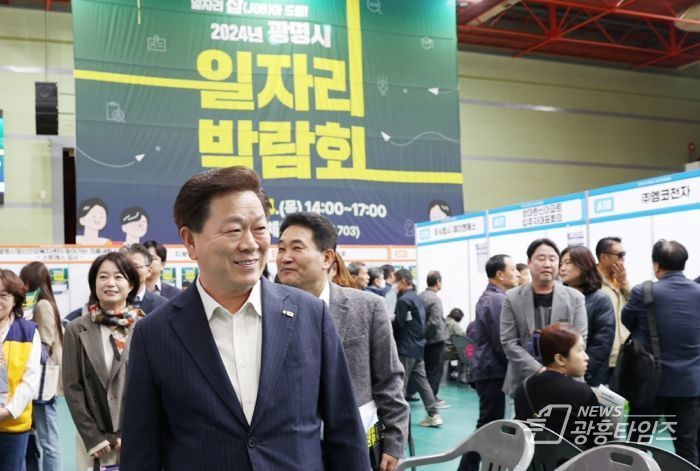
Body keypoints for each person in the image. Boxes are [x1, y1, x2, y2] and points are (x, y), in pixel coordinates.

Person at [120, 166, 369, 470]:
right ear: (190, 241)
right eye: (234, 230)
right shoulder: (155, 334)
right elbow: (141, 453)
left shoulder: (311, 315)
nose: (250, 243)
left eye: (260, 228)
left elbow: (345, 431)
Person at [276, 212, 409, 471]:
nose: (285, 257)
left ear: (327, 258)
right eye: (281, 249)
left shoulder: (368, 307)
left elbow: (389, 378)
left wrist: (393, 441)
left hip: (361, 440)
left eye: (296, 248)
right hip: (293, 449)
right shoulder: (269, 313)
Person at [63, 252, 144, 470]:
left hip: (137, 437)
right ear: (94, 283)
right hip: (96, 444)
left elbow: (153, 388)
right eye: (103, 276)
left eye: (118, 277)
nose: (110, 283)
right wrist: (93, 437)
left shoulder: (146, 327)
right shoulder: (76, 329)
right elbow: (72, 387)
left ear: (131, 284)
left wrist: (132, 432)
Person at [622, 240, 700, 465]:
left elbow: (627, 320)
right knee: (687, 447)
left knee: (637, 444)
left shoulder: (643, 292)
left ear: (656, 265)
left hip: (649, 385)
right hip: (689, 385)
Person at [500, 238, 587, 399]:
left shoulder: (575, 298)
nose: (547, 264)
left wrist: (556, 373)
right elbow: (509, 342)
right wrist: (540, 370)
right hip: (523, 382)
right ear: (529, 262)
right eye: (541, 258)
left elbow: (580, 339)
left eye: (552, 259)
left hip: (567, 381)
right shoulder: (512, 298)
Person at [513, 323, 600, 449]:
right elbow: (600, 441)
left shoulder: (523, 388)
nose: (586, 357)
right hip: (575, 460)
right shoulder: (582, 393)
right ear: (560, 359)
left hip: (532, 459)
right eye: (580, 350)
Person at [19, 262, 63, 471]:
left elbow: (45, 345)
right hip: (44, 382)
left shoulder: (43, 305)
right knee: (42, 436)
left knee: (49, 440)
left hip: (43, 383)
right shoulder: (46, 303)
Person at [0, 270, 41, 471]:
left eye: (3, 295)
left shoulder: (28, 331)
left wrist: (8, 411)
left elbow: (30, 380)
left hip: (13, 425)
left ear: (15, 298)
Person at [392, 269, 443, 427]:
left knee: (400, 384)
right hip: (418, 345)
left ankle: (399, 420)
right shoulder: (416, 297)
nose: (394, 285)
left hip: (405, 347)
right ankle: (434, 414)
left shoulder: (403, 300)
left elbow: (399, 324)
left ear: (402, 281)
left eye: (395, 281)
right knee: (422, 382)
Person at [559, 246, 615, 387]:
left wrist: (580, 371)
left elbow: (602, 344)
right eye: (561, 264)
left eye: (568, 263)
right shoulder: (558, 298)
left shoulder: (600, 300)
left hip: (588, 377)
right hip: (559, 375)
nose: (562, 268)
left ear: (583, 265)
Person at [595, 237, 631, 383]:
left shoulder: (620, 280)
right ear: (604, 257)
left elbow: (635, 304)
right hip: (603, 357)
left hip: (624, 355)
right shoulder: (593, 282)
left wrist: (624, 282)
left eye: (624, 255)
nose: (623, 260)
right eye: (620, 255)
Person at [419, 271, 449, 404]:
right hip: (435, 340)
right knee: (435, 370)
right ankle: (433, 398)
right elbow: (435, 322)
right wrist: (427, 336)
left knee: (426, 369)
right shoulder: (435, 299)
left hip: (423, 340)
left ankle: (428, 397)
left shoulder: (420, 296)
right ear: (438, 282)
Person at [120, 244, 167, 314]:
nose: (130, 271)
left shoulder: (163, 305)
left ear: (149, 271)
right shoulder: (107, 301)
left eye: (136, 266)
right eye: (125, 266)